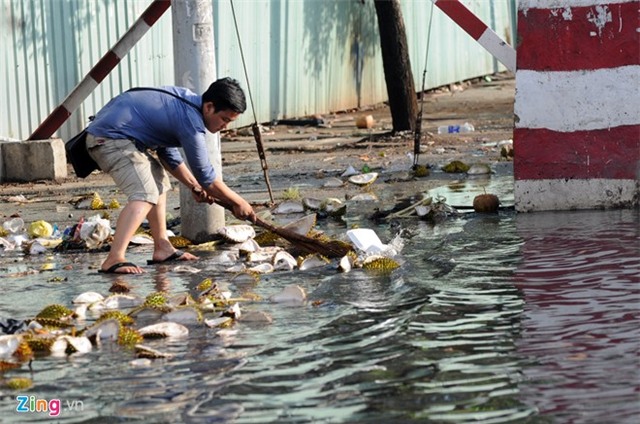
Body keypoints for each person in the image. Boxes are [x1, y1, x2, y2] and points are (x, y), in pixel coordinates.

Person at [85, 77, 256, 274]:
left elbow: (168, 155)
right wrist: (239, 202)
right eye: (224, 119)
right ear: (209, 107)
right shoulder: (191, 120)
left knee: (159, 180)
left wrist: (193, 186)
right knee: (144, 192)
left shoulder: (187, 104)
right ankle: (114, 258)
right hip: (108, 139)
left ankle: (162, 247)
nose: (225, 126)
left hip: (123, 139)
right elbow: (205, 176)